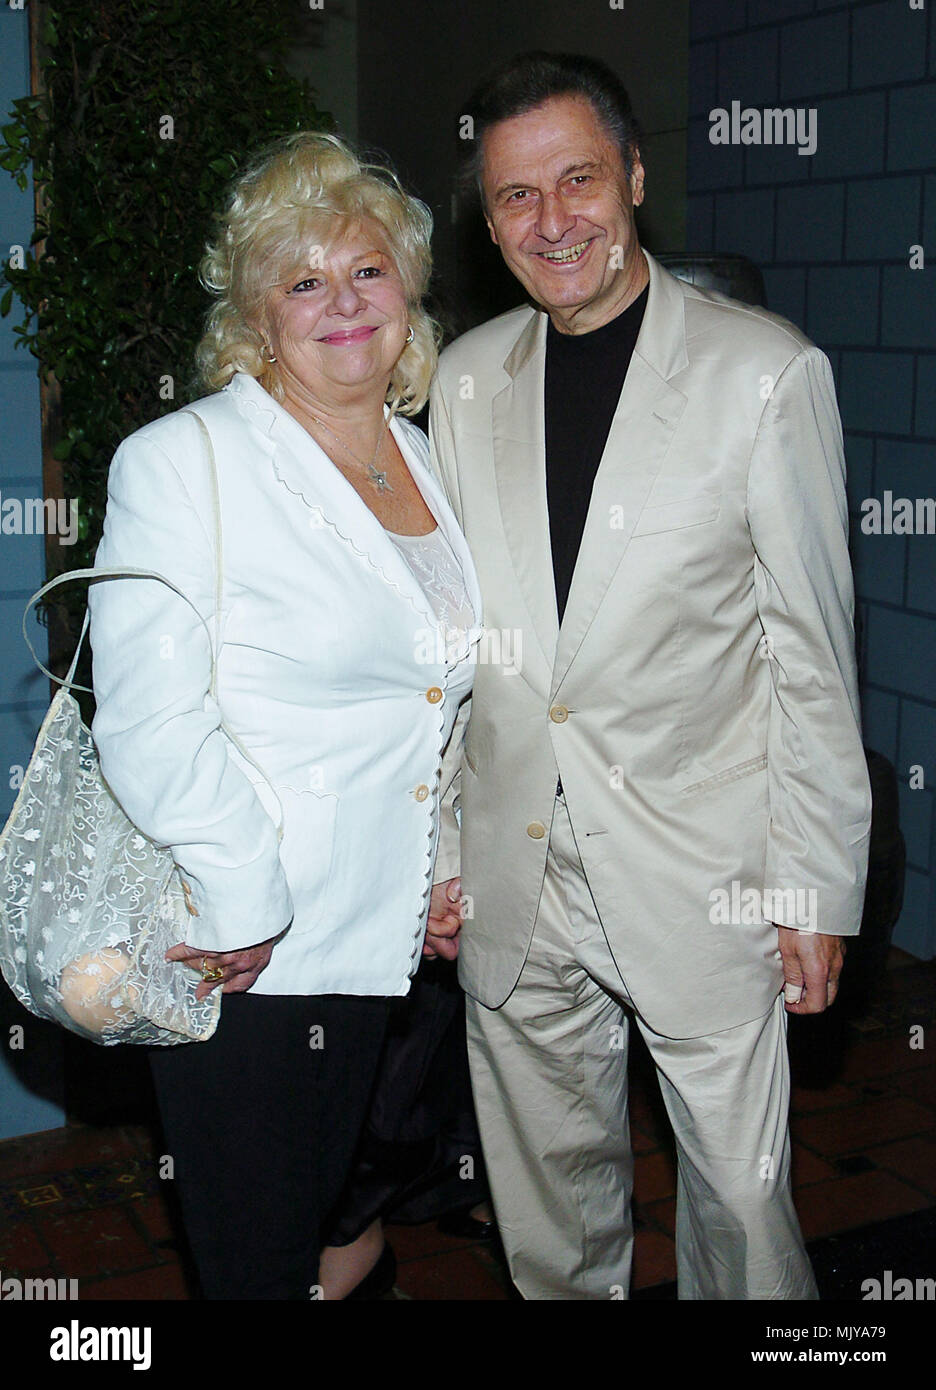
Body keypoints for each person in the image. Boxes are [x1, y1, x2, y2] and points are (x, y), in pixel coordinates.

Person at [427, 51, 872, 1300]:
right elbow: (456, 652)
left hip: (705, 868)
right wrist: (444, 859)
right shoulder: (464, 382)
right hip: (519, 871)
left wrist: (819, 880)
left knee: (740, 1208)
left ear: (632, 175)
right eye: (517, 196)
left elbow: (813, 658)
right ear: (490, 218)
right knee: (550, 1222)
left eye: (578, 178)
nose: (553, 219)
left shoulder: (763, 374)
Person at [88, 131, 481, 1300]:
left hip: (398, 942)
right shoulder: (184, 462)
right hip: (255, 958)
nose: (341, 302)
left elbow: (437, 704)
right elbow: (150, 717)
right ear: (258, 316)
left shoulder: (430, 459)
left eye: (365, 270)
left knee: (342, 1225)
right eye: (302, 281)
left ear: (407, 290)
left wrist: (442, 864)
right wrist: (245, 908)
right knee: (256, 1261)